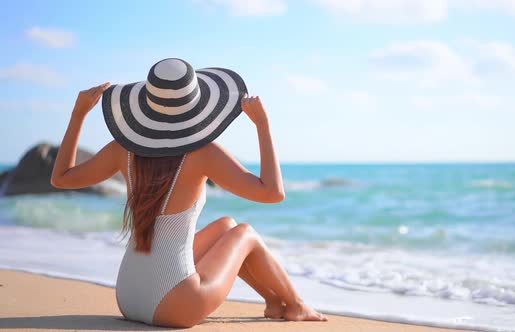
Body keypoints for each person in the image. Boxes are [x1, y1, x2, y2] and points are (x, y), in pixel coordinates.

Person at [50, 58, 328, 328]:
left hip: (128, 297)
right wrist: (262, 125)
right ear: (198, 107)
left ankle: (274, 302)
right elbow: (272, 193)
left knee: (227, 227)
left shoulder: (123, 149)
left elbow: (61, 178)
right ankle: (297, 305)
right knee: (246, 234)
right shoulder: (203, 153)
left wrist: (79, 114)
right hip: (175, 306)